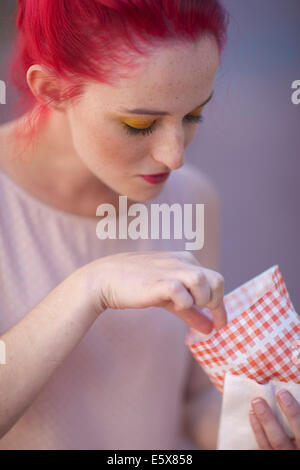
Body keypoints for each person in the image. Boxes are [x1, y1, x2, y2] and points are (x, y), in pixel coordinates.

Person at [0, 0, 298, 451]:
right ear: (52, 89)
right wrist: (90, 287)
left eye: (193, 115)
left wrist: (260, 426)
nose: (175, 156)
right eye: (139, 123)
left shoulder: (191, 196)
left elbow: (192, 399)